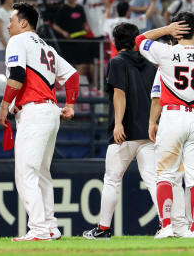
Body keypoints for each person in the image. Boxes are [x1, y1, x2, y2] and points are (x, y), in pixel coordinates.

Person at [135, 12, 194, 238]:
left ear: (177, 31)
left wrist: (166, 29)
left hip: (173, 116)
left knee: (165, 176)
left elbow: (139, 41)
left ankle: (166, 226)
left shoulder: (167, 52)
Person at [0, 2, 80, 241]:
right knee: (42, 173)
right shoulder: (47, 48)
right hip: (50, 112)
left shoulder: (18, 41)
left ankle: (40, 229)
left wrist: (3, 109)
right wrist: (70, 104)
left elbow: (17, 75)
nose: (9, 26)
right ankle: (50, 226)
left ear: (23, 23)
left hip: (33, 112)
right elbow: (73, 75)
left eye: (12, 21)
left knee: (27, 172)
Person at [83, 23, 158, 240]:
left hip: (124, 133)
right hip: (148, 131)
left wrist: (118, 124)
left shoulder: (116, 61)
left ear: (114, 41)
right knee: (154, 180)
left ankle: (103, 229)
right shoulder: (151, 64)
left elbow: (119, 93)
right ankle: (166, 225)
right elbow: (156, 97)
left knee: (112, 180)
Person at [0, 0, 15, 73]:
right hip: (1, 48)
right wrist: (5, 46)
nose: (13, 0)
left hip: (11, 46)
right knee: (2, 71)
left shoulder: (11, 13)